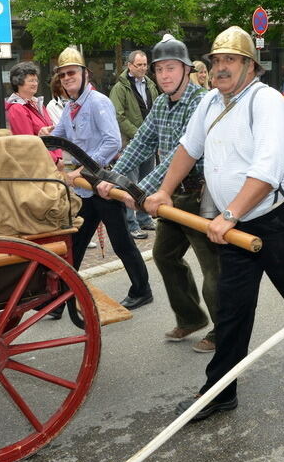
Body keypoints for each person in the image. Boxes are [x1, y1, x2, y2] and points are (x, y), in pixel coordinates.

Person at [145, 26, 284, 421]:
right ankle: (220, 390)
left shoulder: (268, 102)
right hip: (237, 223)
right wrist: (164, 192)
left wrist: (228, 215)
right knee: (232, 308)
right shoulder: (209, 102)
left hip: (279, 218)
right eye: (216, 61)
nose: (221, 68)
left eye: (230, 61)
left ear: (249, 66)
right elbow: (188, 149)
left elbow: (267, 169)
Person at [97, 34, 220, 348]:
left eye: (171, 68)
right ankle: (191, 317)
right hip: (174, 197)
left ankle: (224, 330)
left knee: (213, 268)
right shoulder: (162, 103)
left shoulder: (200, 101)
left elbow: (182, 155)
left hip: (202, 195)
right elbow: (141, 143)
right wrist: (115, 176)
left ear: (186, 69)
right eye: (159, 69)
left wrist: (139, 192)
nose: (164, 75)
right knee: (165, 255)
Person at [43, 47, 153, 311]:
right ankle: (61, 296)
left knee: (121, 242)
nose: (67, 78)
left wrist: (84, 169)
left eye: (72, 73)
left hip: (104, 184)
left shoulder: (99, 102)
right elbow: (58, 137)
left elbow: (113, 142)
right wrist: (42, 136)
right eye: (63, 75)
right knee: (77, 243)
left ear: (85, 74)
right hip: (85, 189)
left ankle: (142, 289)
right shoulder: (71, 106)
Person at [110, 50, 160, 239]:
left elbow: (156, 109)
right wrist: (138, 134)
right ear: (129, 65)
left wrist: (153, 134)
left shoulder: (151, 85)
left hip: (149, 142)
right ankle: (131, 224)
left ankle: (144, 218)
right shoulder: (120, 88)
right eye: (138, 65)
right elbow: (118, 115)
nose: (143, 68)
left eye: (145, 64)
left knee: (146, 181)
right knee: (129, 183)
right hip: (131, 144)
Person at [4, 61, 62, 166]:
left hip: (50, 161)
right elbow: (29, 143)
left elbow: (52, 132)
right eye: (31, 80)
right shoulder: (17, 109)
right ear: (18, 83)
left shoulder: (37, 103)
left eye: (36, 80)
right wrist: (55, 160)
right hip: (38, 164)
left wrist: (59, 157)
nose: (35, 83)